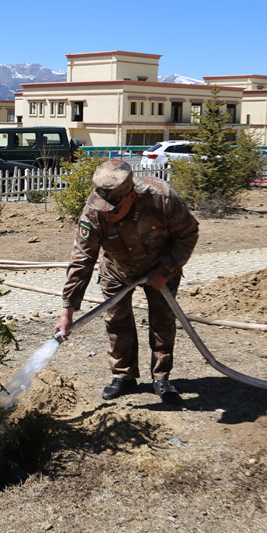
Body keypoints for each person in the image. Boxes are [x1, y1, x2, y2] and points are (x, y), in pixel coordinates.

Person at [54, 160, 199, 404]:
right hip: (117, 269)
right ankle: (124, 376)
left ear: (131, 196)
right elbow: (82, 260)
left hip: (160, 268)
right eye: (103, 209)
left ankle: (161, 378)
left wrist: (165, 270)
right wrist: (67, 310)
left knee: (162, 321)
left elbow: (188, 233)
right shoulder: (94, 212)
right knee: (116, 321)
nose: (107, 214)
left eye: (113, 209)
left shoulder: (161, 198)